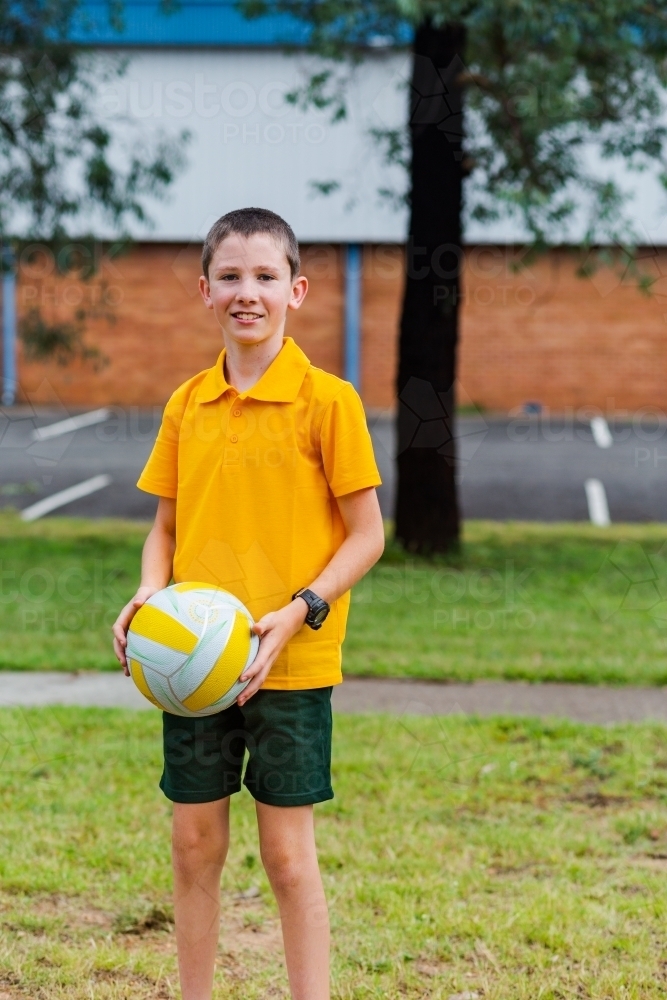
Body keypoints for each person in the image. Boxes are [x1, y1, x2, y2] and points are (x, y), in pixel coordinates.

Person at [112, 207, 385, 1000]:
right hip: (191, 666)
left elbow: (365, 536)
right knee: (194, 846)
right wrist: (148, 590)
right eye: (230, 276)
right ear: (205, 289)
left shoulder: (328, 402)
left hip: (289, 662)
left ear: (295, 290)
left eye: (265, 277)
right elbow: (164, 526)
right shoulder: (186, 403)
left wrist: (301, 608)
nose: (247, 292)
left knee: (287, 858)